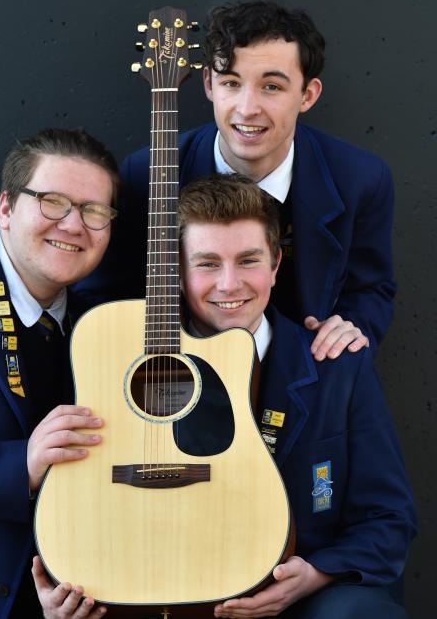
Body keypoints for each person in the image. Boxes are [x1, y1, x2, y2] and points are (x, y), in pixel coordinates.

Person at [34, 175, 416, 619]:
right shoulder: (111, 359)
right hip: (151, 589)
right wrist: (67, 586)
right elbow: (72, 492)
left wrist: (314, 574)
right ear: (177, 272)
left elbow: (389, 518)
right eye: (208, 263)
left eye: (248, 261)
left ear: (276, 264)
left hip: (296, 601)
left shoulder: (336, 366)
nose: (229, 284)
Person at [76, 0, 396, 361]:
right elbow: (101, 295)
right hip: (179, 383)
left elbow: (371, 288)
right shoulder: (145, 174)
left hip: (303, 377)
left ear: (307, 95)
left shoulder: (361, 180)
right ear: (209, 84)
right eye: (231, 82)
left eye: (271, 87)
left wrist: (352, 328)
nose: (247, 108)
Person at [0, 128, 119, 619]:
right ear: (5, 208)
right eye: (53, 201)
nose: (74, 225)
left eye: (94, 211)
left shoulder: (100, 323)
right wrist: (20, 466)